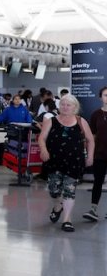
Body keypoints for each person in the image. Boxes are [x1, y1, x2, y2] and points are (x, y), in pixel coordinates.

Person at [39, 94, 94, 232]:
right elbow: (41, 138)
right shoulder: (51, 121)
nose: (65, 107)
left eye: (68, 105)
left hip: (74, 162)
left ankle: (67, 220)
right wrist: (43, 150)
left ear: (75, 107)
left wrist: (90, 156)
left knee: (70, 190)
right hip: (54, 161)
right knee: (54, 189)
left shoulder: (81, 121)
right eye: (62, 104)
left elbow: (90, 140)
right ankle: (58, 206)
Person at [86, 86, 107, 221]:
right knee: (98, 181)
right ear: (101, 97)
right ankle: (93, 209)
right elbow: (92, 137)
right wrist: (90, 154)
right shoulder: (95, 115)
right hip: (100, 154)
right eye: (105, 95)